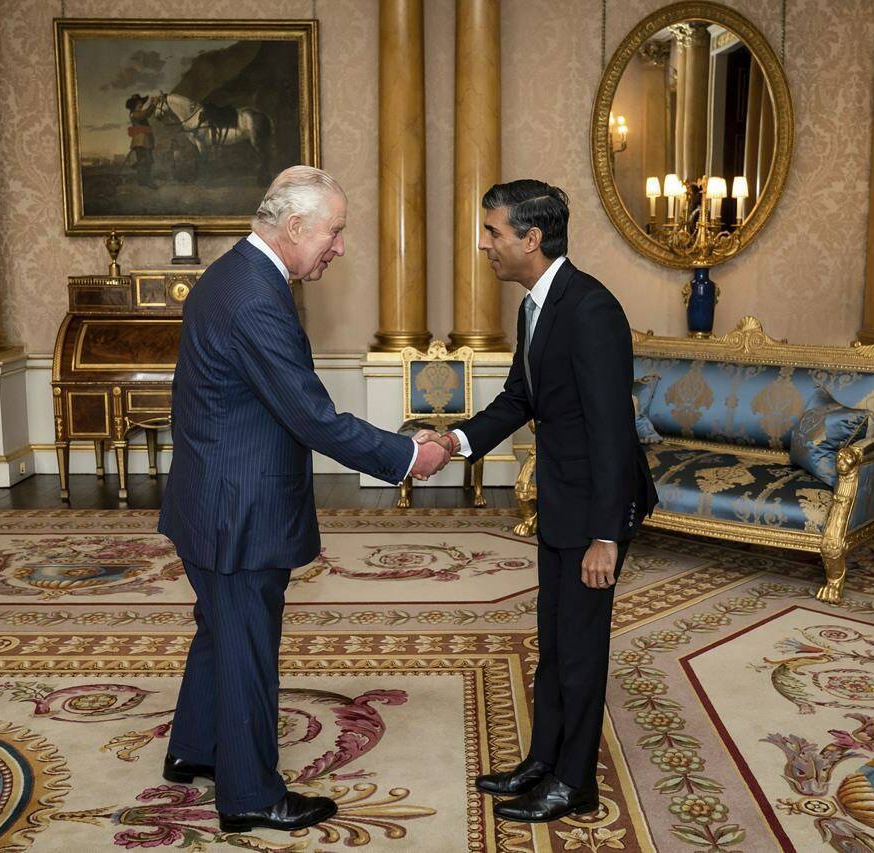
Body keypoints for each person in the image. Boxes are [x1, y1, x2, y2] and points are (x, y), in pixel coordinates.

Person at [158, 166, 451, 832]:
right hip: (238, 509)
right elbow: (314, 417)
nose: (340, 246)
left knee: (220, 628)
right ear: (294, 228)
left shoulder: (234, 273)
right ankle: (252, 795)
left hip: (212, 494)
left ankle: (196, 748)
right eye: (336, 231)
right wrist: (408, 455)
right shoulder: (256, 298)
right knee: (246, 647)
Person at [435, 179, 658, 823]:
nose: (485, 245)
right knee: (555, 641)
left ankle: (575, 782)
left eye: (493, 232)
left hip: (594, 512)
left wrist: (608, 536)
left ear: (531, 239)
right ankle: (544, 761)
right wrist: (455, 440)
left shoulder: (590, 309)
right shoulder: (537, 304)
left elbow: (613, 430)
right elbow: (520, 398)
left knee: (582, 649)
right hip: (562, 501)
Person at [125, 93, 158, 189]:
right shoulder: (135, 113)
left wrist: (151, 103)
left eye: (141, 103)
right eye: (139, 103)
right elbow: (147, 113)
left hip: (143, 140)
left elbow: (145, 113)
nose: (141, 104)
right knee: (147, 161)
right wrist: (154, 104)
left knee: (145, 161)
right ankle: (148, 182)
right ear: (134, 105)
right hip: (142, 141)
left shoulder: (137, 112)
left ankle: (142, 181)